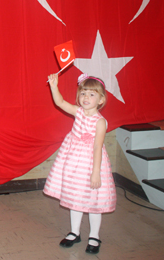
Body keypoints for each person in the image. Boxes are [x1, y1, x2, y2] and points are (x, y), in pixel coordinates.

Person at [43, 73, 116, 255]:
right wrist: (54, 86)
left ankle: (94, 235)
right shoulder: (79, 112)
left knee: (93, 201)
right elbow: (60, 103)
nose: (86, 98)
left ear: (101, 100)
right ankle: (74, 232)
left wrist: (96, 172)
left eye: (92, 94)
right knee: (75, 199)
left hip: (91, 164)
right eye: (83, 93)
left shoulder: (100, 122)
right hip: (73, 162)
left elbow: (98, 147)